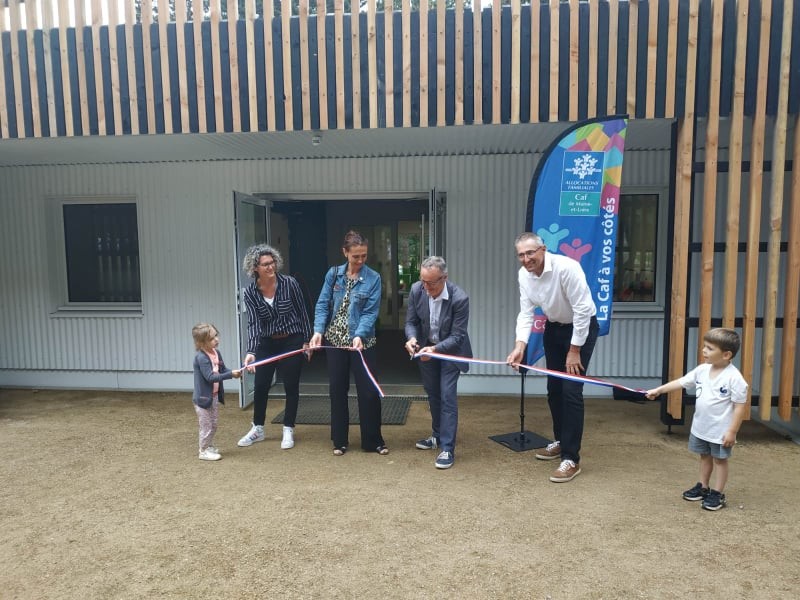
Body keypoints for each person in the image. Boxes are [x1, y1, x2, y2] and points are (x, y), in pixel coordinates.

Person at [506, 232, 599, 483]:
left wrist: (575, 349)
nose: (526, 259)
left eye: (530, 253)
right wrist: (519, 346)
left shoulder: (567, 268)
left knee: (570, 391)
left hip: (581, 329)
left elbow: (581, 310)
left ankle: (571, 459)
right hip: (553, 328)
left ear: (543, 249)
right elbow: (526, 313)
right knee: (554, 389)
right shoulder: (524, 275)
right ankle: (560, 440)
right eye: (521, 255)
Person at [645, 328, 748, 511]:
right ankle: (703, 486)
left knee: (720, 461)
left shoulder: (735, 378)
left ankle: (717, 493)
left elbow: (740, 406)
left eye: (709, 348)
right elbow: (682, 382)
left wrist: (732, 431)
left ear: (726, 354)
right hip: (701, 427)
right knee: (704, 456)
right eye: (704, 347)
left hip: (721, 431)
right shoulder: (702, 370)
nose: (704, 351)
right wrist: (659, 390)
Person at [309, 230, 388, 456]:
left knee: (369, 392)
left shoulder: (373, 278)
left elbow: (371, 312)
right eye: (356, 256)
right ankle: (339, 441)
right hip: (335, 342)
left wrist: (359, 335)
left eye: (364, 255)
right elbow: (323, 304)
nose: (361, 260)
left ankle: (373, 441)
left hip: (363, 343)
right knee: (337, 389)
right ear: (345, 252)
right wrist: (317, 332)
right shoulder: (333, 275)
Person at [237, 245, 312, 450]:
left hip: (292, 339)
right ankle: (258, 428)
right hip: (267, 341)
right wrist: (251, 351)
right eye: (265, 264)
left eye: (272, 263)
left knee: (290, 385)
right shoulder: (251, 292)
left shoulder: (290, 283)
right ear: (255, 268)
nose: (271, 267)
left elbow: (302, 312)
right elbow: (253, 323)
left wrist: (307, 341)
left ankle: (288, 428)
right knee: (261, 385)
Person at [404, 256, 472, 470]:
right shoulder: (417, 290)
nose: (426, 287)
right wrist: (412, 339)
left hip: (450, 352)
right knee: (432, 392)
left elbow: (458, 336)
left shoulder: (459, 298)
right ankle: (436, 435)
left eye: (431, 283)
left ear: (444, 278)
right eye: (423, 281)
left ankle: (447, 448)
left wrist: (434, 350)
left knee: (447, 395)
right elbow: (411, 322)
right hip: (425, 347)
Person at [192, 323, 241, 461]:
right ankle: (203, 451)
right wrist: (231, 374)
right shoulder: (201, 358)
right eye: (212, 338)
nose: (217, 339)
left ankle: (208, 446)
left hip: (213, 397)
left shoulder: (216, 353)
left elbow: (222, 370)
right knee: (206, 426)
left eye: (216, 335)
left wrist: (234, 372)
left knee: (213, 424)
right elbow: (210, 377)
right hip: (202, 399)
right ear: (201, 343)